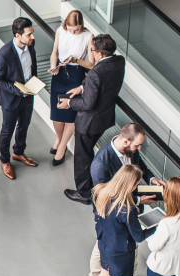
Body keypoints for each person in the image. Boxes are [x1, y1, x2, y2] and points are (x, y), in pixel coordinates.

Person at [87, 123, 167, 276]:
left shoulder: (130, 151)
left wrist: (151, 179)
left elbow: (140, 166)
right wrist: (138, 200)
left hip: (130, 208)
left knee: (132, 242)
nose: (139, 149)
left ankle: (129, 275)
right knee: (102, 248)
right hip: (111, 216)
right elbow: (104, 198)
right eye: (137, 145)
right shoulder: (101, 163)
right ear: (125, 141)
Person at [58, 34, 125, 204]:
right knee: (90, 152)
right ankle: (97, 183)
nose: (91, 53)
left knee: (82, 157)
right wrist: (82, 87)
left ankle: (84, 193)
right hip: (105, 117)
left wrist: (70, 102)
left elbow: (88, 103)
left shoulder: (97, 72)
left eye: (92, 51)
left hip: (89, 122)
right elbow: (101, 85)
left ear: (100, 54)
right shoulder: (119, 62)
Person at [90, 165, 155, 276]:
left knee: (104, 275)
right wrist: (158, 225)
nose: (136, 187)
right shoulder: (126, 209)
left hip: (105, 244)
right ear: (130, 185)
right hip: (121, 253)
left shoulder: (100, 191)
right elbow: (139, 236)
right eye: (136, 184)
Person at [0, 17, 39, 180]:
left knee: (24, 126)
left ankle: (19, 152)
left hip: (29, 96)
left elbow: (32, 68)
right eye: (29, 34)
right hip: (12, 99)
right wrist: (18, 91)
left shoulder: (30, 46)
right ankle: (4, 160)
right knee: (7, 131)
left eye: (32, 33)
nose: (32, 37)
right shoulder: (3, 55)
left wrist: (34, 83)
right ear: (17, 35)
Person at [48, 10, 92, 166]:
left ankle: (62, 147)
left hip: (75, 75)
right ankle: (60, 138)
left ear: (82, 26)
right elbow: (54, 52)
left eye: (77, 29)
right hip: (59, 73)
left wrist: (76, 60)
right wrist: (53, 66)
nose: (74, 32)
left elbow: (91, 64)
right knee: (56, 112)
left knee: (70, 114)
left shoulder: (88, 36)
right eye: (71, 29)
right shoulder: (60, 30)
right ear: (66, 24)